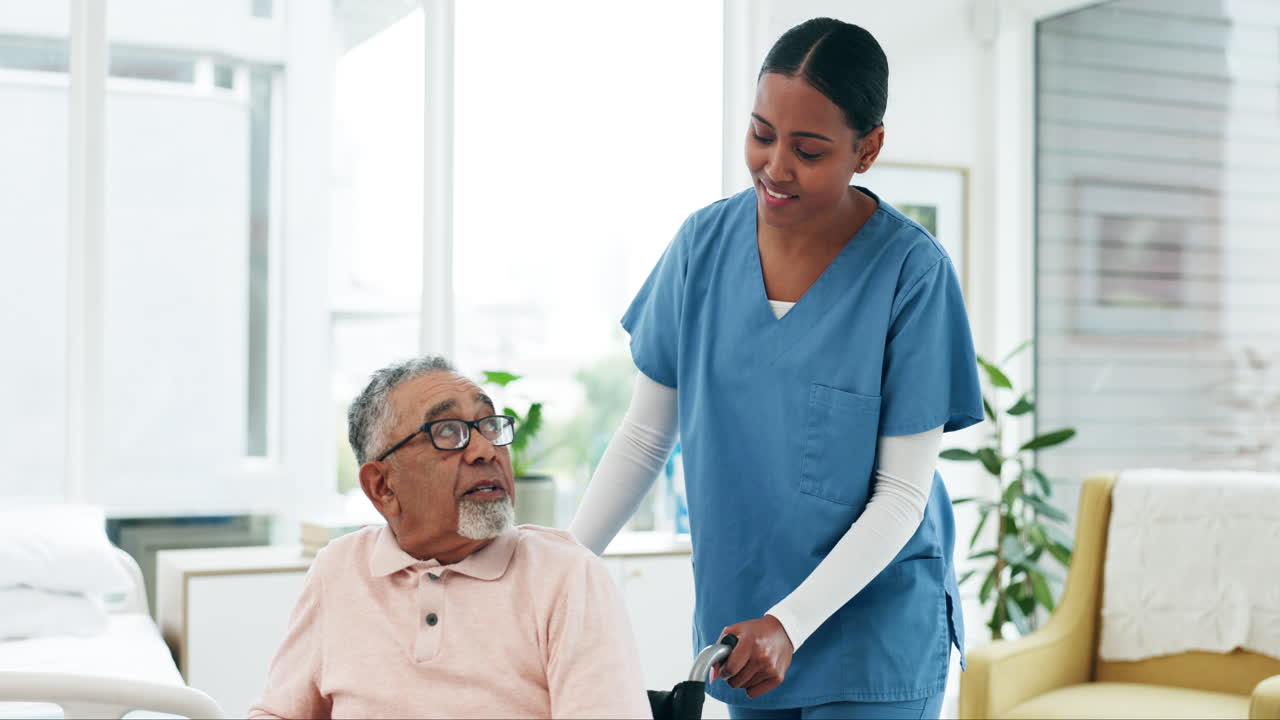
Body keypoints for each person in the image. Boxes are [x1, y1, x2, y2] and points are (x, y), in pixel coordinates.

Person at [569, 17, 983, 720]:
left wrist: (791, 622)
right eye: (762, 134)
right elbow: (644, 437)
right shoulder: (702, 246)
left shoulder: (912, 275)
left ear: (868, 149)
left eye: (809, 149)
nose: (775, 167)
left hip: (869, 635)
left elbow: (902, 495)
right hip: (746, 631)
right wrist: (561, 569)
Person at [249, 355, 650, 719]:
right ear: (383, 487)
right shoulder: (338, 569)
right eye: (448, 431)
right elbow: (280, 712)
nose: (484, 450)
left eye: (490, 426)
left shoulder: (567, 576)